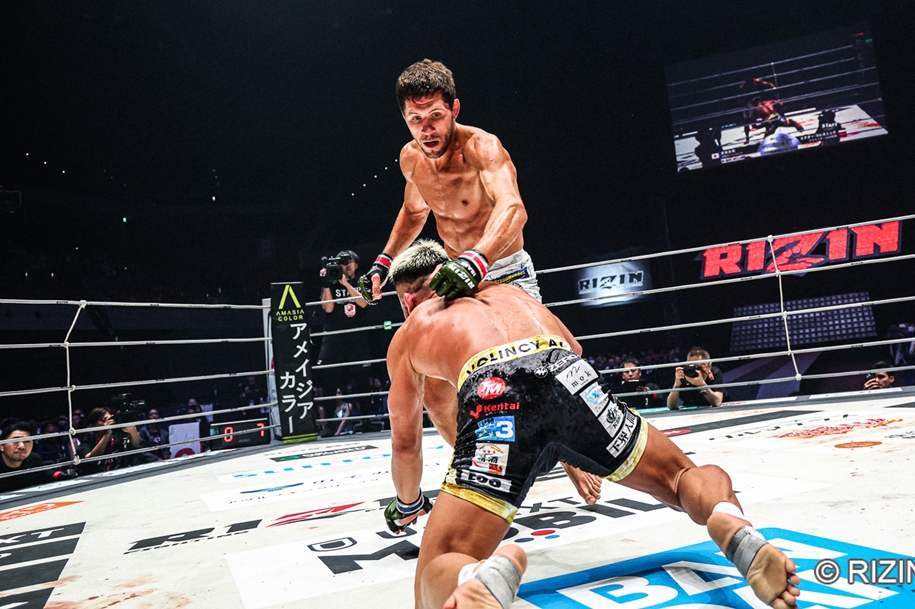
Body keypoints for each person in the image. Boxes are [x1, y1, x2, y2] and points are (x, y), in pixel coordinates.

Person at [383, 240, 799, 609]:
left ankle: (471, 578)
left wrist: (408, 504)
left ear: (408, 300)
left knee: (437, 566)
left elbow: (405, 444)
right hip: (569, 372)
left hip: (497, 393)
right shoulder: (511, 294)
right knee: (679, 477)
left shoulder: (412, 328)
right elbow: (573, 349)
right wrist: (571, 445)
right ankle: (733, 526)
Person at [356, 59, 540, 306]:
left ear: (454, 109)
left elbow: (513, 208)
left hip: (506, 271)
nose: (427, 130)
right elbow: (414, 212)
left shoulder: (481, 147)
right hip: (455, 271)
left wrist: (476, 261)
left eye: (435, 115)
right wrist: (384, 262)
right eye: (416, 119)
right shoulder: (411, 158)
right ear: (404, 117)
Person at [315, 250, 370, 434]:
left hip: (357, 337)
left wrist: (345, 284)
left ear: (356, 264)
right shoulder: (330, 280)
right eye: (343, 262)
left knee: (362, 379)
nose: (346, 265)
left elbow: (363, 303)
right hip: (335, 336)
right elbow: (328, 308)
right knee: (329, 380)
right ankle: (330, 425)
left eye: (349, 261)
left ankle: (367, 422)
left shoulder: (362, 280)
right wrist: (326, 283)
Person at [1, 421, 65, 490]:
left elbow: (46, 473)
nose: (22, 446)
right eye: (15, 441)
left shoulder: (33, 458)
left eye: (26, 441)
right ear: (2, 446)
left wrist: (61, 475)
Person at [75, 407, 140, 474]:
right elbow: (92, 460)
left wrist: (132, 431)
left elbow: (134, 445)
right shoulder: (84, 446)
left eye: (110, 419)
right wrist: (107, 434)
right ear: (91, 426)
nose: (109, 423)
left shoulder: (119, 438)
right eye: (103, 420)